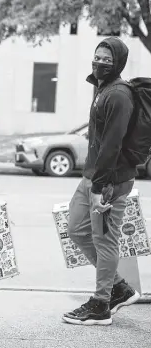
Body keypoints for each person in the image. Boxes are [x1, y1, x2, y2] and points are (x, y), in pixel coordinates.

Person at [63, 37, 140, 326]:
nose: (100, 62)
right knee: (76, 228)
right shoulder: (102, 88)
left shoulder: (119, 95)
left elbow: (112, 144)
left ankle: (101, 305)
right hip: (93, 175)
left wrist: (99, 188)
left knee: (105, 240)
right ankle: (118, 288)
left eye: (107, 59)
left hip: (109, 181)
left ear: (117, 62)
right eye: (97, 57)